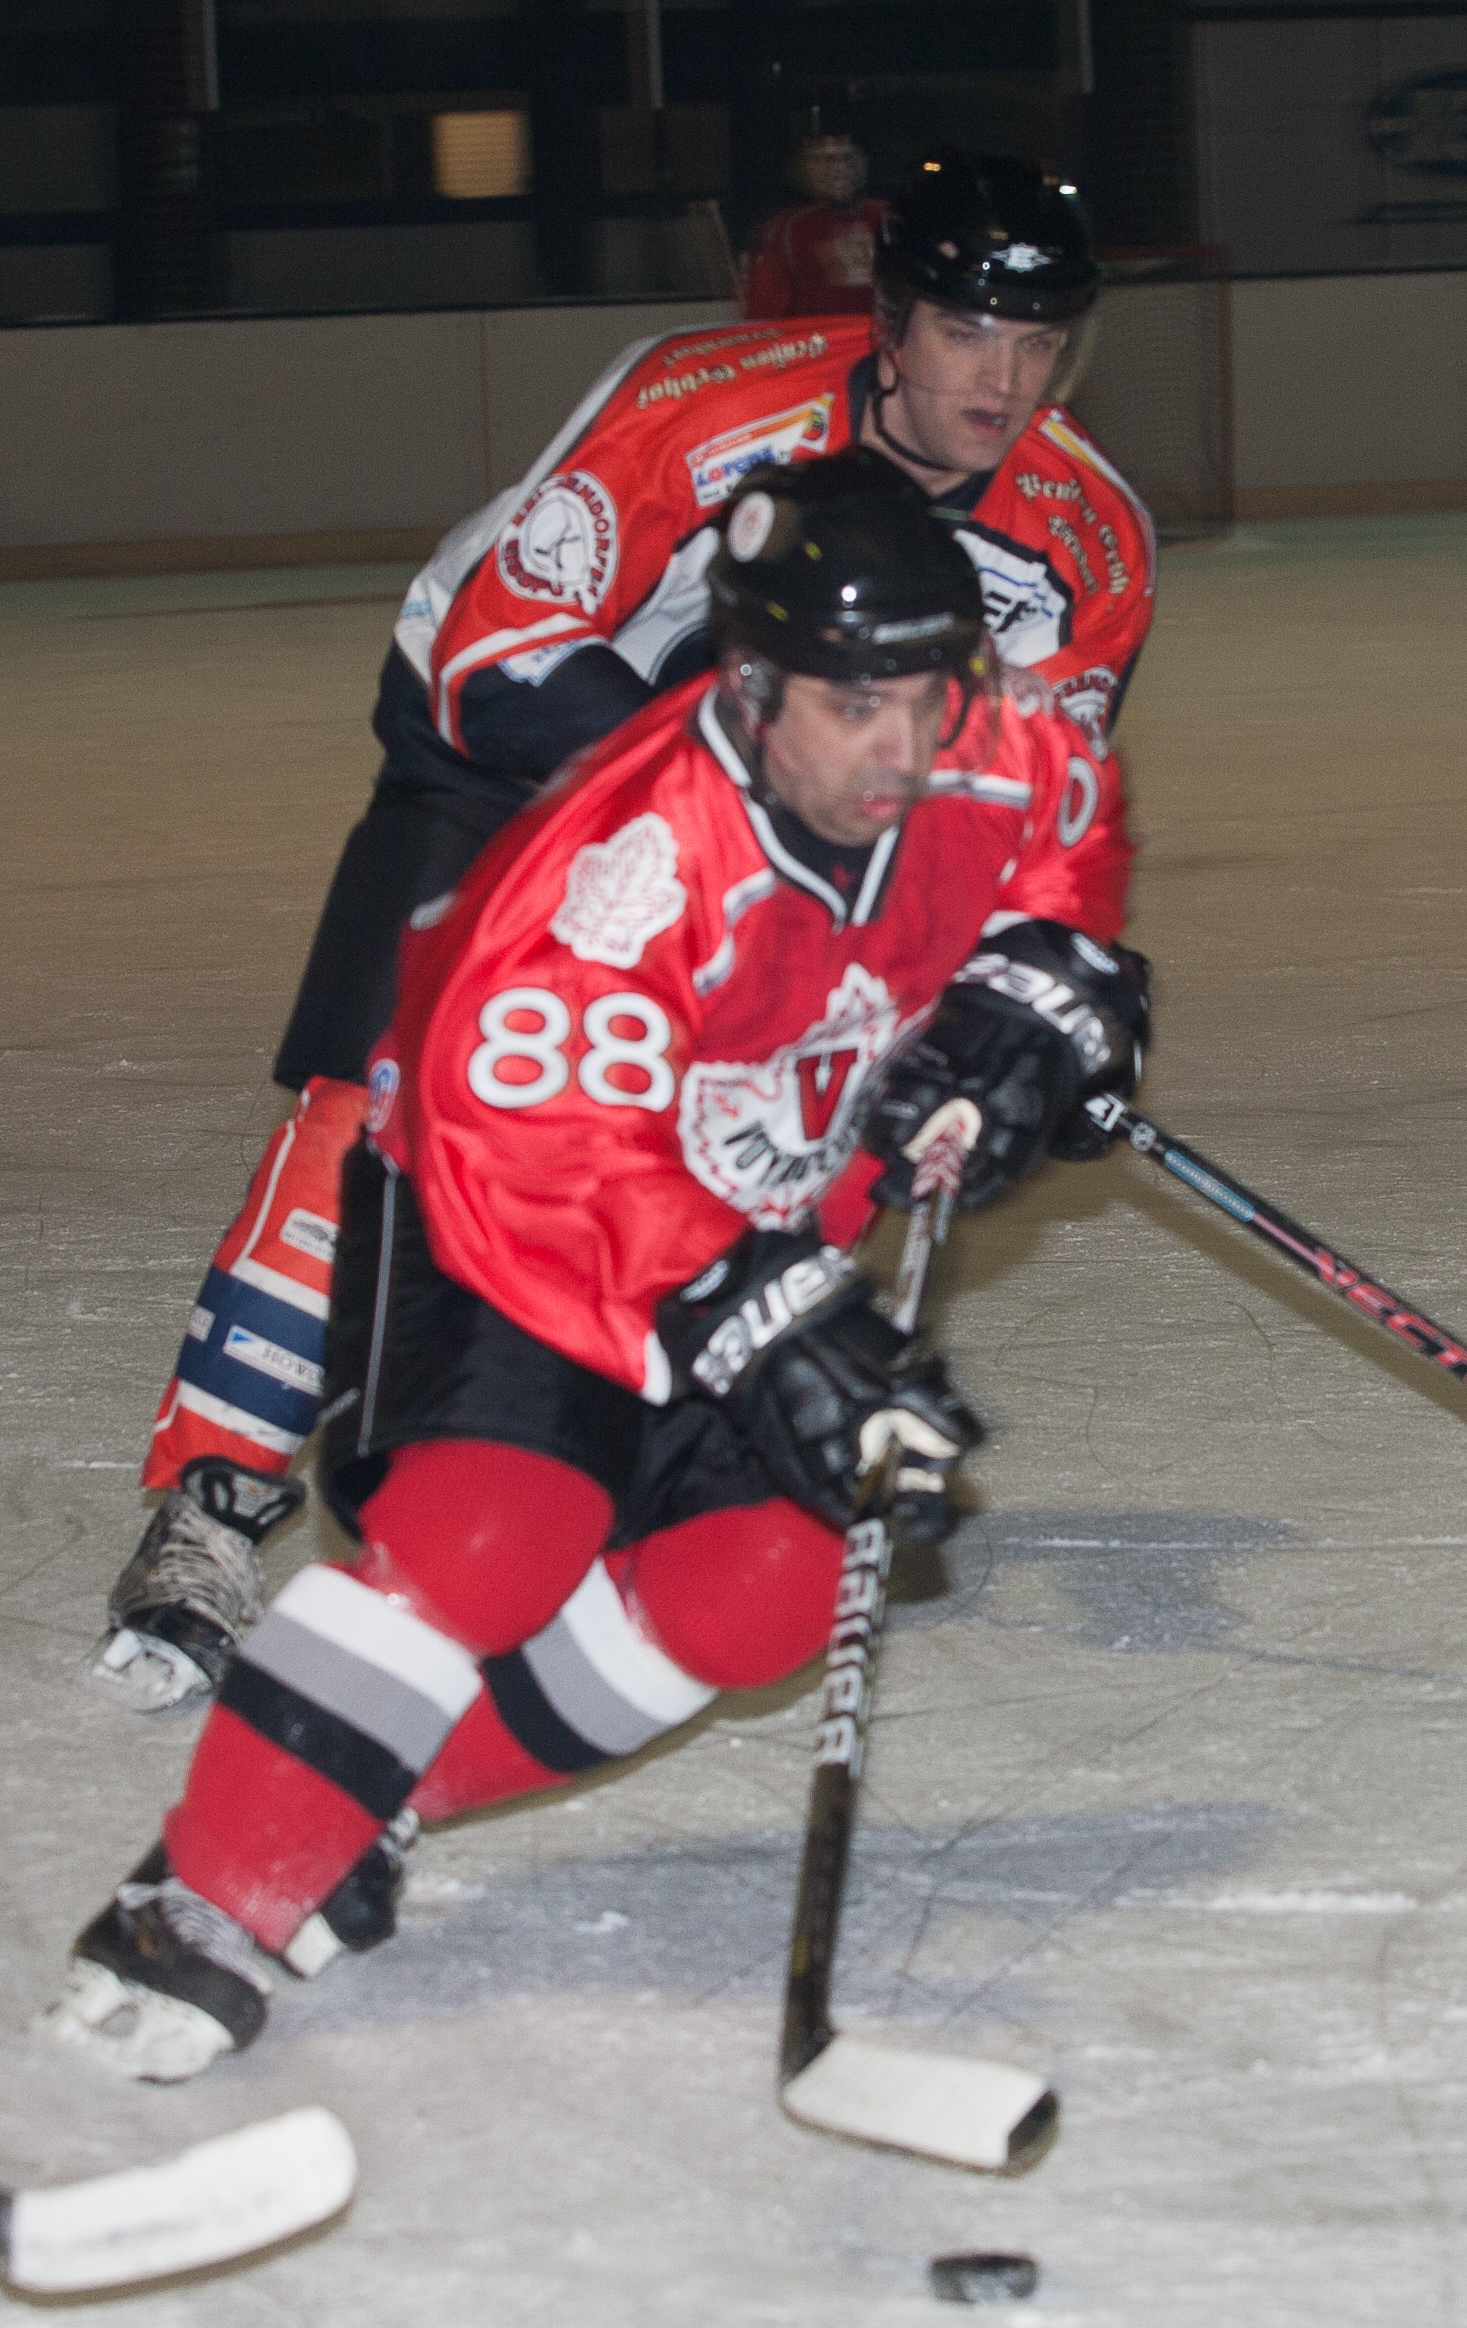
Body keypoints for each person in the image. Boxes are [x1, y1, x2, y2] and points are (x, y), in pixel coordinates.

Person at [43, 455, 1148, 2083]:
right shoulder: (625, 862)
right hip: (500, 1210)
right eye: (855, 707)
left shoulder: (988, 739)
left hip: (746, 1225)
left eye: (926, 696)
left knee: (774, 1578)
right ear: (749, 685)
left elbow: (1064, 834)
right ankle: (197, 1902)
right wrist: (762, 1315)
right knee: (494, 1529)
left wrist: (1035, 1001)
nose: (903, 748)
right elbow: (550, 1155)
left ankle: (373, 1793)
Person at [97, 148, 1156, 1717]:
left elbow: (1013, 804)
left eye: (1038, 343)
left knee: (750, 1134)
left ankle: (590, 1472)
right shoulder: (707, 401)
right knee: (379, 1104)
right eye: (963, 333)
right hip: (510, 756)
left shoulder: (1088, 537)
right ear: (890, 319)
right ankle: (214, 1497)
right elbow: (502, 644)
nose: (1001, 381)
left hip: (783, 835)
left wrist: (1035, 1001)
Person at [743, 127, 883, 318]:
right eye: (822, 161)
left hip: (881, 330)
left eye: (845, 159)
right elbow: (765, 305)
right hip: (818, 334)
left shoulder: (885, 216)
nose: (836, 169)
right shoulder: (788, 228)